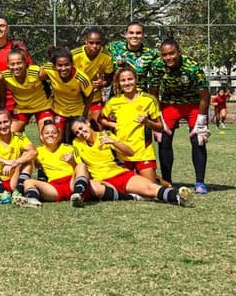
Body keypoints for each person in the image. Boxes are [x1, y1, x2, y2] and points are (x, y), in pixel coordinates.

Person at [70, 117, 194, 207]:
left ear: (87, 123)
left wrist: (113, 142)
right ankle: (131, 197)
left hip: (120, 175)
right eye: (77, 132)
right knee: (95, 189)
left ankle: (179, 198)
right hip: (101, 180)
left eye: (81, 128)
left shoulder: (105, 135)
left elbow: (129, 152)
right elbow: (79, 166)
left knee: (150, 188)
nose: (80, 133)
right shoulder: (76, 143)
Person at [149, 37, 211, 194]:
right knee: (163, 138)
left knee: (198, 139)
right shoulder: (157, 65)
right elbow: (154, 92)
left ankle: (200, 182)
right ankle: (167, 181)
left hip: (193, 104)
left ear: (179, 52)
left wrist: (201, 121)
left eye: (172, 53)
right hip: (170, 104)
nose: (168, 57)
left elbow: (205, 95)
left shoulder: (192, 67)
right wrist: (157, 116)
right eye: (164, 54)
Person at [100, 66, 163, 183]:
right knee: (127, 187)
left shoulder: (149, 100)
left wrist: (147, 122)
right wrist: (112, 125)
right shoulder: (113, 102)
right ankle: (157, 179)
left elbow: (160, 127)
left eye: (130, 79)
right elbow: (101, 119)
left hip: (143, 153)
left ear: (136, 79)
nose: (127, 83)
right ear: (119, 83)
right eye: (123, 80)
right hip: (123, 152)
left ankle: (160, 181)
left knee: (149, 187)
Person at [18, 119, 90, 208]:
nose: (50, 135)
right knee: (28, 182)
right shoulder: (38, 152)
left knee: (81, 165)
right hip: (54, 187)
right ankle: (33, 200)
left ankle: (78, 195)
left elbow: (80, 170)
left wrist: (72, 162)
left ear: (59, 135)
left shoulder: (70, 148)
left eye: (54, 132)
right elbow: (28, 162)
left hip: (72, 183)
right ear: (41, 137)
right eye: (47, 133)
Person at [0, 108, 37, 205]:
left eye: (5, 122)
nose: (3, 126)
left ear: (11, 122)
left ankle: (18, 190)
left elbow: (33, 152)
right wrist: (5, 161)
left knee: (28, 158)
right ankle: (2, 192)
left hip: (14, 179)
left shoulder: (19, 136)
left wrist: (15, 162)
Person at [39, 47, 93, 142]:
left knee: (80, 140)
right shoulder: (49, 68)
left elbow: (89, 95)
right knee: (57, 139)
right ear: (54, 65)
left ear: (72, 64)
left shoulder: (81, 78)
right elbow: (37, 77)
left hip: (77, 112)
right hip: (59, 111)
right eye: (59, 65)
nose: (63, 68)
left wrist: (84, 115)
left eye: (67, 65)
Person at [0, 17, 33, 112]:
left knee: (14, 127)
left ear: (7, 29)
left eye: (2, 26)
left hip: (15, 99)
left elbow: (30, 69)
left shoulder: (17, 48)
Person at [0, 48, 53, 133]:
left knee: (47, 134)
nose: (16, 67)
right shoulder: (4, 77)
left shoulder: (36, 73)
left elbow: (54, 76)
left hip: (43, 107)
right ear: (8, 65)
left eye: (19, 63)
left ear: (25, 63)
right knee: (10, 135)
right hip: (22, 109)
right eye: (12, 64)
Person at [71, 27, 114, 129]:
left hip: (95, 97)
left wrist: (102, 84)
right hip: (75, 98)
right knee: (75, 129)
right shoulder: (74, 55)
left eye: (98, 43)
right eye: (91, 43)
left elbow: (109, 79)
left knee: (97, 127)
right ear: (86, 41)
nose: (95, 46)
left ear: (102, 42)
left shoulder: (106, 57)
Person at [107, 21, 157, 91]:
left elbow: (155, 79)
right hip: (117, 97)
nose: (134, 36)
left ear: (143, 35)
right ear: (126, 34)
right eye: (131, 33)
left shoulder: (151, 54)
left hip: (139, 97)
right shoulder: (113, 48)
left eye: (138, 33)